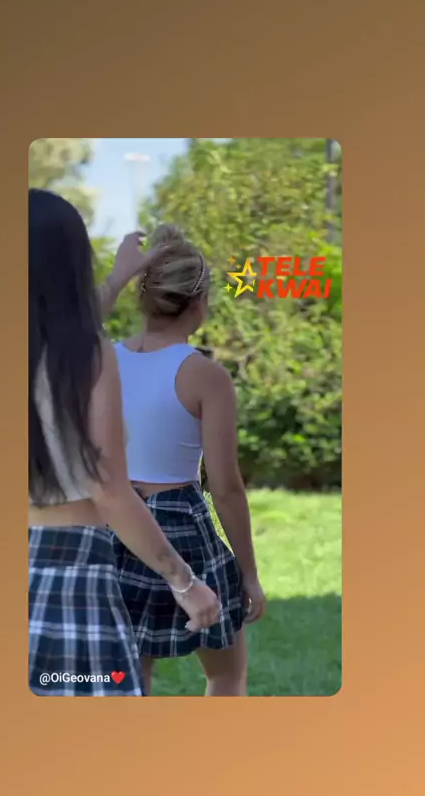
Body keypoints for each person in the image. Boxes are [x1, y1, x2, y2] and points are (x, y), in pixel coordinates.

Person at [29, 191, 220, 697]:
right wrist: (184, 581)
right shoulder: (90, 355)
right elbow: (109, 488)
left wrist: (116, 280)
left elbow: (52, 334)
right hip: (69, 571)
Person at [111, 223, 267, 696]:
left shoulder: (102, 360)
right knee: (226, 674)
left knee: (128, 675)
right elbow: (225, 485)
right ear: (199, 302)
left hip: (115, 523)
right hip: (181, 526)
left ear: (143, 297)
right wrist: (249, 574)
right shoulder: (205, 376)